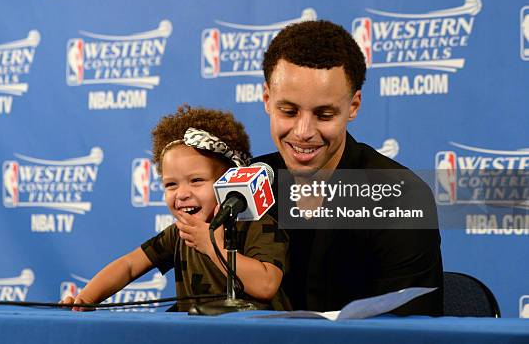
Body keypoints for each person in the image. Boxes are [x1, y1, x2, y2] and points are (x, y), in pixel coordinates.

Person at [256, 20, 443, 315]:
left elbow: (411, 332)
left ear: (353, 107)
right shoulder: (243, 184)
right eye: (288, 111)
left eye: (324, 114)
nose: (303, 131)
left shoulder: (401, 197)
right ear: (267, 99)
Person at [62, 105, 291, 312]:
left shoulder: (259, 225)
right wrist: (85, 299)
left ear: (230, 180)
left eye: (197, 181)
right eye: (171, 184)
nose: (182, 194)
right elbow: (129, 266)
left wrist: (213, 247)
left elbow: (266, 285)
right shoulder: (180, 233)